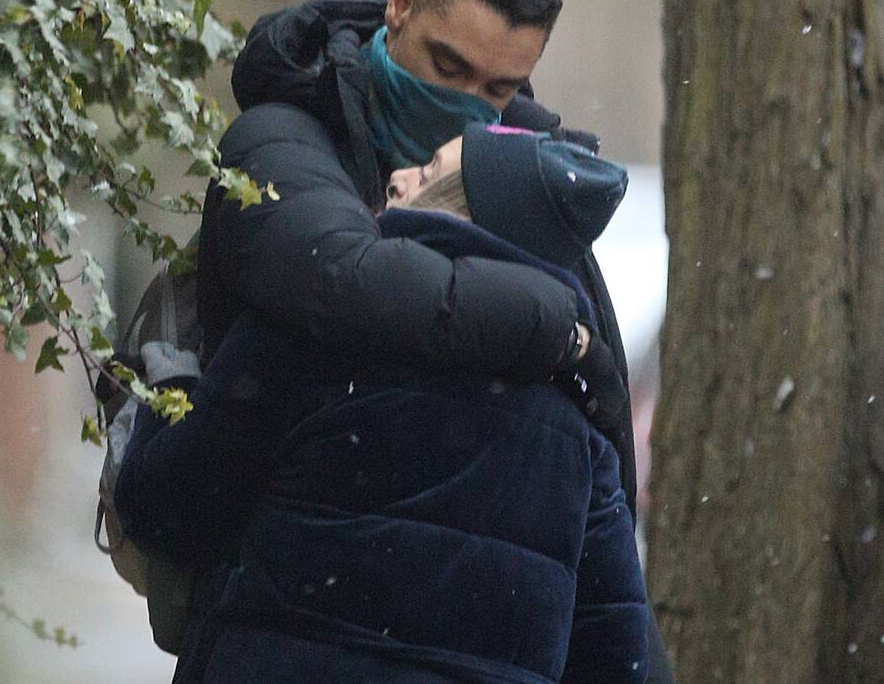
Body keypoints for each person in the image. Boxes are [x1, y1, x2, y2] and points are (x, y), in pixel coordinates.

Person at [194, 0, 675, 682]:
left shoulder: (528, 194)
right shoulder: (284, 137)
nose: (463, 103)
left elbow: (601, 494)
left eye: (497, 88)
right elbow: (340, 277)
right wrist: (556, 327)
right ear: (400, 3)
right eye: (447, 67)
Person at [116, 125, 648, 683]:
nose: (399, 176)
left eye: (429, 170)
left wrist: (169, 390)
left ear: (467, 213)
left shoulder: (306, 337)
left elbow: (167, 509)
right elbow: (617, 659)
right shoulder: (578, 436)